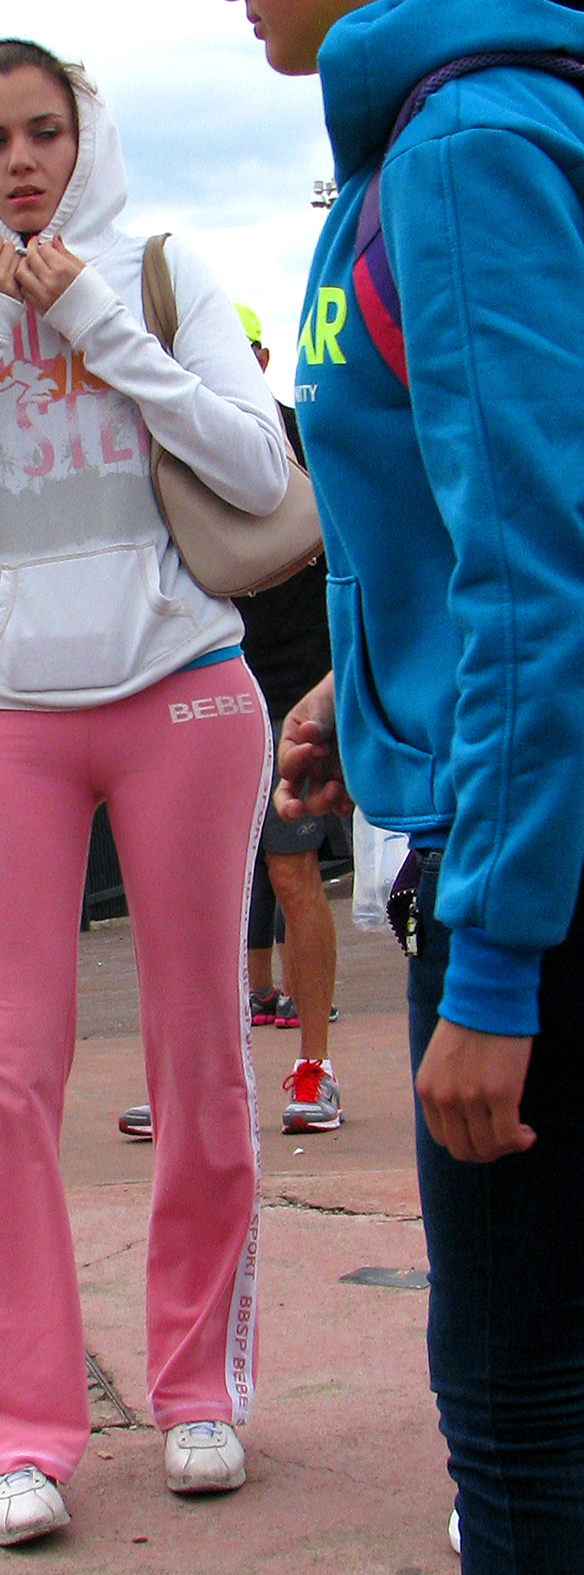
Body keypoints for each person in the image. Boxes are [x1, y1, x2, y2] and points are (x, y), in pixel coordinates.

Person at [0, 38, 286, 1547]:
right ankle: (16, 1430)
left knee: (199, 1046)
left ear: (82, 134)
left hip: (183, 690)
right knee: (7, 1069)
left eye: (43, 131)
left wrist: (96, 319)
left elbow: (256, 468)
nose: (21, 161)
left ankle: (196, 1391)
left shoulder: (163, 275)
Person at [229, 1, 584, 1569]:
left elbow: (534, 561)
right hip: (516, 804)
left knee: (516, 1404)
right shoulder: (451, 130)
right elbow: (459, 524)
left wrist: (497, 964)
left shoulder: (460, 147)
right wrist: (356, 689)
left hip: (533, 879)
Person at [119, 303, 342, 1144]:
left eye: (237, 350)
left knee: (291, 871)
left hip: (296, 688)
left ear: (262, 355)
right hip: (200, 676)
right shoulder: (162, 441)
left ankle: (314, 1067)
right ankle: (194, 1075)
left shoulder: (305, 435)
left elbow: (364, 545)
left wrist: (344, 678)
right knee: (182, 886)